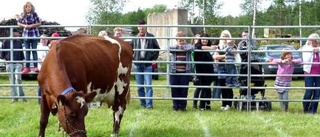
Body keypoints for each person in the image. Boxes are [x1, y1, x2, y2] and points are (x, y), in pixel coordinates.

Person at [131, 19, 160, 109]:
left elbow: (157, 48)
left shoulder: (151, 37)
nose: (142, 29)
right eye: (140, 27)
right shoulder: (134, 38)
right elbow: (130, 49)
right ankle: (143, 103)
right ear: (138, 28)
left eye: (143, 27)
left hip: (147, 64)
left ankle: (149, 104)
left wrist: (153, 58)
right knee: (139, 86)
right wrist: (133, 59)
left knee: (148, 85)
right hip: (137, 64)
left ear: (146, 27)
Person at [169, 31, 194, 111]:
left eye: (183, 40)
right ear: (177, 40)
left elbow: (192, 47)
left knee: (184, 90)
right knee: (174, 90)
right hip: (174, 72)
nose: (181, 42)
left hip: (185, 72)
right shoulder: (174, 47)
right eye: (179, 40)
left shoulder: (188, 46)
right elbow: (169, 48)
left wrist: (181, 47)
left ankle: (183, 107)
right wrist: (179, 47)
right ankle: (175, 106)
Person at [0, 29, 26, 103]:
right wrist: (7, 62)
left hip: (18, 63)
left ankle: (22, 97)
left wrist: (22, 63)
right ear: (13, 33)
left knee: (18, 79)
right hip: (9, 63)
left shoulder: (19, 42)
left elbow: (21, 54)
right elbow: (2, 54)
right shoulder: (5, 41)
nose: (18, 34)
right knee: (12, 81)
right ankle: (14, 98)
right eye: (17, 33)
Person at [194, 33, 217, 110]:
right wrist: (211, 48)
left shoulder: (208, 50)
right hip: (201, 71)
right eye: (203, 39)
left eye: (206, 39)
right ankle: (202, 105)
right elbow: (201, 47)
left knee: (207, 89)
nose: (205, 40)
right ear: (200, 40)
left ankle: (207, 104)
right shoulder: (197, 46)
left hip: (209, 72)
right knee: (204, 88)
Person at [17, 2, 41, 74]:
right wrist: (24, 26)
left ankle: (35, 67)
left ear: (31, 7)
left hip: (34, 34)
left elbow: (39, 23)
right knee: (27, 51)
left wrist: (32, 25)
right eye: (26, 7)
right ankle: (27, 67)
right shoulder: (22, 15)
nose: (28, 8)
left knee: (34, 50)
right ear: (25, 8)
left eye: (29, 7)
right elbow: (18, 23)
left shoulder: (35, 14)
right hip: (26, 35)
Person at [213, 30, 234, 111]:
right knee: (222, 86)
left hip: (229, 68)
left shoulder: (232, 45)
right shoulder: (219, 46)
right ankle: (224, 103)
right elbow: (215, 57)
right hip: (221, 68)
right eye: (223, 36)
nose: (225, 38)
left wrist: (220, 56)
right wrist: (224, 56)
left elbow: (229, 56)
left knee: (228, 86)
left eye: (226, 36)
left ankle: (229, 104)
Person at [301, 33, 320, 114]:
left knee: (317, 93)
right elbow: (306, 59)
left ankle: (313, 110)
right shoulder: (305, 48)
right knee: (309, 91)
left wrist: (317, 50)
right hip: (309, 73)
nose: (313, 42)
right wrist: (312, 50)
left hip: (318, 74)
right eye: (311, 40)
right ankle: (306, 108)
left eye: (315, 41)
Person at [36, 34, 50, 104]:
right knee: (40, 84)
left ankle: (45, 99)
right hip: (41, 68)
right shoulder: (38, 47)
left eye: (45, 39)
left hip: (47, 68)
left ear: (47, 40)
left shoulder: (48, 48)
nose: (43, 40)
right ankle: (39, 100)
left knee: (46, 84)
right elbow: (38, 59)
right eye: (42, 39)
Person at [191, 33, 201, 109]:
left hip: (201, 68)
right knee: (198, 86)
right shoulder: (193, 48)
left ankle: (202, 103)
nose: (197, 40)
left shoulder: (201, 48)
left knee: (201, 87)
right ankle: (195, 103)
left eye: (199, 39)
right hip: (195, 69)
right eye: (196, 39)